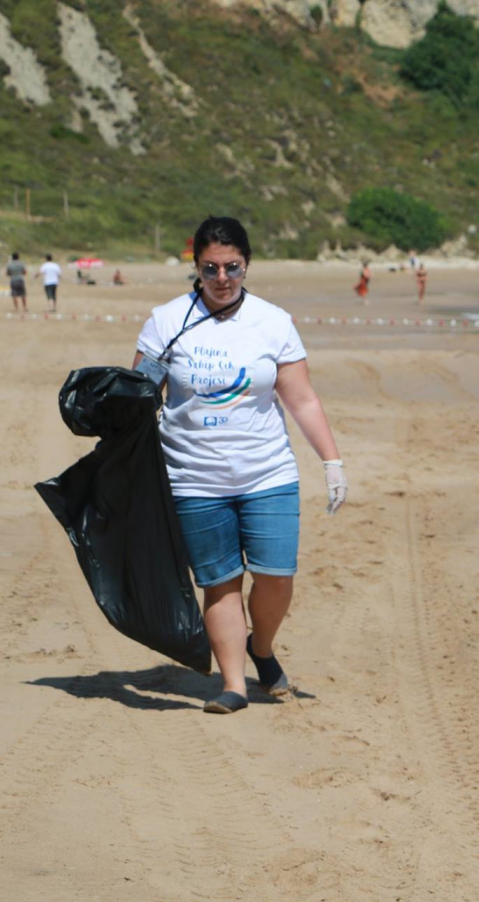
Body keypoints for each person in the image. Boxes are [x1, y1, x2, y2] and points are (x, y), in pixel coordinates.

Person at [133, 215, 348, 714]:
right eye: (211, 269)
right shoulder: (167, 321)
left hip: (267, 474)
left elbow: (303, 399)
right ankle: (232, 685)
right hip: (193, 478)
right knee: (220, 582)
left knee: (276, 576)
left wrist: (331, 462)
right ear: (197, 268)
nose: (222, 278)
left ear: (247, 265)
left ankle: (262, 648)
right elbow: (140, 396)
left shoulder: (273, 322)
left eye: (232, 267)